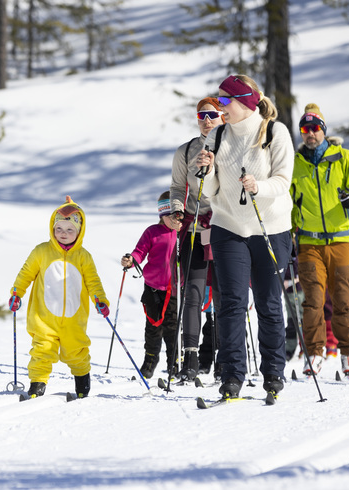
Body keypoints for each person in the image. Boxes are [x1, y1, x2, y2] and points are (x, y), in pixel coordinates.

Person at [196, 74, 295, 399]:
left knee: (268, 303)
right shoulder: (218, 135)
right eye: (219, 100)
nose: (220, 107)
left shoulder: (274, 132)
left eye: (225, 101)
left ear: (244, 102)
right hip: (229, 228)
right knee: (233, 303)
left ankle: (273, 374)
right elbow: (210, 193)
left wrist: (258, 186)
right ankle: (232, 377)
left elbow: (283, 180)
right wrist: (207, 171)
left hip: (270, 228)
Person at [291, 103, 349, 377]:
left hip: (341, 240)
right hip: (309, 242)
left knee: (342, 300)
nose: (310, 134)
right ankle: (314, 353)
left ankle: (348, 353)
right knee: (312, 301)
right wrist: (290, 233)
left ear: (323, 131)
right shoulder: (295, 163)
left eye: (314, 128)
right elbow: (289, 201)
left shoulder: (344, 158)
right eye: (305, 129)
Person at [10, 196, 110, 399]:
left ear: (79, 232)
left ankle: (82, 383)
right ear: (52, 228)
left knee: (76, 351)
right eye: (59, 229)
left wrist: (100, 300)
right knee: (42, 350)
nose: (63, 234)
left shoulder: (83, 256)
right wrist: (16, 293)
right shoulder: (42, 251)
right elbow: (26, 273)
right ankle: (37, 384)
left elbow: (93, 282)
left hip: (74, 318)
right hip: (43, 317)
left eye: (69, 230)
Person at [169, 96, 225, 381]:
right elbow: (177, 187)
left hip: (225, 230)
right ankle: (189, 358)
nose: (206, 120)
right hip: (193, 229)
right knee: (192, 294)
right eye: (202, 115)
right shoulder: (185, 151)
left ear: (223, 117)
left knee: (226, 295)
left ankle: (224, 355)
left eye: (212, 115)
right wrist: (177, 208)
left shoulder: (231, 147)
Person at [120, 191, 181, 379]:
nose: (178, 220)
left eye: (180, 216)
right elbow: (140, 251)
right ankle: (150, 359)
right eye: (174, 216)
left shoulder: (184, 234)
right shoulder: (152, 232)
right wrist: (131, 260)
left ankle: (174, 363)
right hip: (153, 287)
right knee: (153, 327)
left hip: (174, 289)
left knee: (172, 328)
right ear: (164, 215)